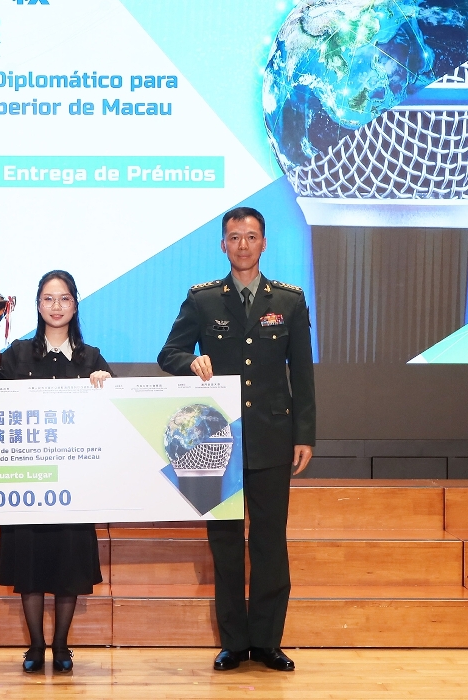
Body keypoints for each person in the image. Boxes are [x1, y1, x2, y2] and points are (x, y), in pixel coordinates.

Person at [157, 207, 315, 672]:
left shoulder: (289, 300)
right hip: (216, 443)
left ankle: (267, 642)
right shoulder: (203, 299)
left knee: (269, 543)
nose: (242, 245)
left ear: (264, 243)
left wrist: (304, 434)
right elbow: (169, 352)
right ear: (222, 245)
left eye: (250, 236)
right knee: (225, 545)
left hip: (272, 437)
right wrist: (190, 362)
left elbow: (302, 374)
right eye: (234, 237)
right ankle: (233, 642)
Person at [0, 269, 113, 674]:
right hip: (26, 481)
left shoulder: (91, 358)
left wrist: (106, 383)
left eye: (64, 299)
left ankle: (61, 646)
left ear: (75, 305)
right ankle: (35, 646)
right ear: (37, 306)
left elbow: (114, 414)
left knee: (68, 567)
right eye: (48, 298)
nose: (56, 306)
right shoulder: (17, 354)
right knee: (29, 567)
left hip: (74, 485)